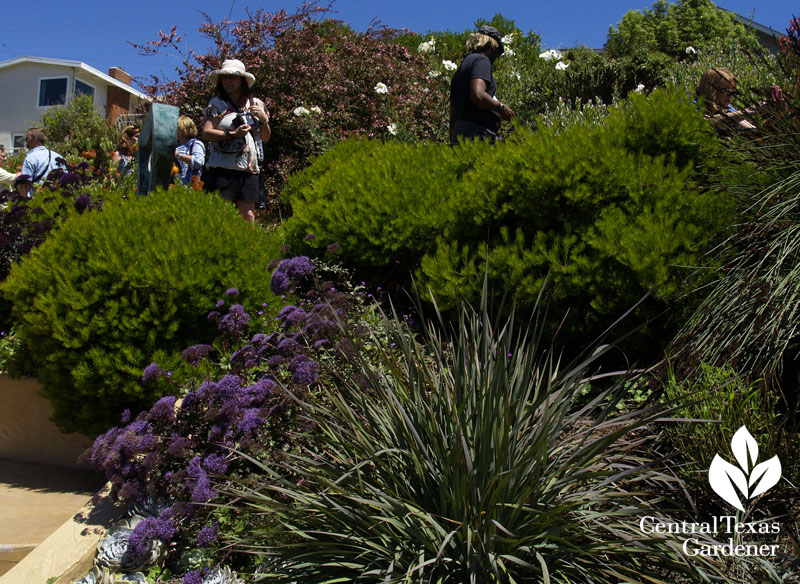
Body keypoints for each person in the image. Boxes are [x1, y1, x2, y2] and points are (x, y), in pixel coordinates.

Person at [201, 59, 271, 224]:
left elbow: (265, 138)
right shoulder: (216, 104)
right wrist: (232, 134)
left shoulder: (256, 104)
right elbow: (206, 132)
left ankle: (247, 248)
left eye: (232, 77)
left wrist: (264, 120)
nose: (227, 81)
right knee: (220, 216)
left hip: (249, 168)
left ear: (242, 80)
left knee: (248, 216)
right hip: (223, 168)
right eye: (224, 78)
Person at [449, 25, 515, 144]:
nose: (496, 57)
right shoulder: (482, 61)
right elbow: (478, 95)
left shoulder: (462, 67)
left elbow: (453, 112)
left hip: (460, 135)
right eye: (497, 51)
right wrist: (501, 108)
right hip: (477, 135)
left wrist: (453, 142)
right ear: (492, 46)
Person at [696, 67, 756, 132]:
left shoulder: (726, 108)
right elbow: (705, 123)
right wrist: (750, 112)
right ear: (711, 90)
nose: (731, 94)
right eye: (726, 90)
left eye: (732, 89)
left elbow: (752, 130)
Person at [18, 127, 66, 198]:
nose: (25, 140)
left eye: (27, 138)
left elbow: (25, 184)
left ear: (35, 140)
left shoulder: (30, 158)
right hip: (56, 198)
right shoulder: (57, 156)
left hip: (37, 199)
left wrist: (21, 202)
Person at [175, 116, 206, 185]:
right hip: (174, 188)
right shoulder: (174, 145)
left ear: (183, 129)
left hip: (190, 188)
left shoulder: (196, 144)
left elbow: (198, 162)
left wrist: (177, 155)